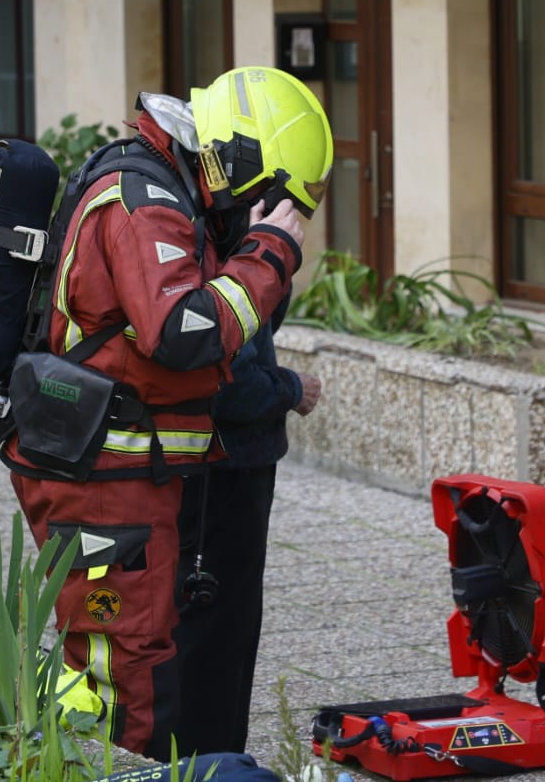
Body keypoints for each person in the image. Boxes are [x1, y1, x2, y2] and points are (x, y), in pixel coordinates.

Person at [2, 66, 333, 761]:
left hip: (110, 476)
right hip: (104, 485)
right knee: (128, 677)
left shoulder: (168, 190)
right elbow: (182, 331)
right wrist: (271, 252)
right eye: (266, 194)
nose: (259, 211)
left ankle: (76, 770)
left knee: (98, 668)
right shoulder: (143, 199)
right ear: (241, 160)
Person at [172, 295, 323, 755]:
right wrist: (293, 388)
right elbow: (230, 383)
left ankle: (195, 754)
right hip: (224, 464)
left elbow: (258, 320)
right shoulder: (217, 236)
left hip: (195, 460)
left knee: (202, 624)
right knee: (215, 630)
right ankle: (210, 760)